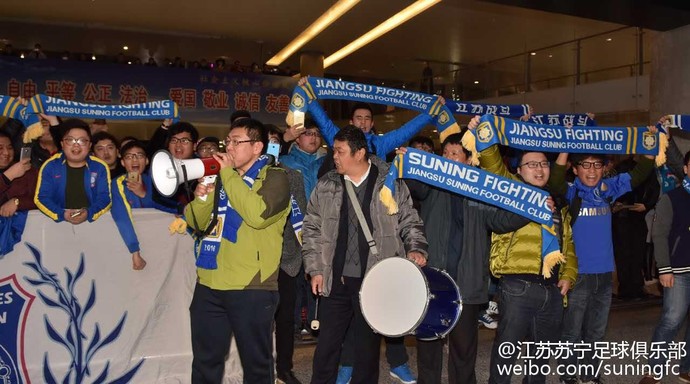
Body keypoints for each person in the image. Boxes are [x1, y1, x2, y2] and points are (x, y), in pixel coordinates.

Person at [302, 126, 428, 384]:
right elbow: (311, 228)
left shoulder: (390, 182)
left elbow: (410, 221)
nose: (334, 156)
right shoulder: (327, 184)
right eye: (334, 150)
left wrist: (415, 248)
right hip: (334, 278)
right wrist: (315, 269)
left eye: (340, 151)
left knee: (367, 349)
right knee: (326, 347)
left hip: (374, 278)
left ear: (359, 153)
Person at [404, 132, 531, 384]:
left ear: (468, 160)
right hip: (433, 281)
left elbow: (500, 220)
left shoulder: (480, 191)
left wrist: (530, 209)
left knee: (464, 351)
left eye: (455, 154)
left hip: (467, 283)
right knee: (428, 344)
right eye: (445, 154)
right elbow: (412, 184)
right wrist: (412, 162)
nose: (448, 159)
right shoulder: (431, 185)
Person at [467, 115, 578, 384]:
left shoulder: (558, 202)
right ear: (519, 170)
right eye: (531, 164)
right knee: (507, 352)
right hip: (518, 286)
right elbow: (492, 160)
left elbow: (569, 244)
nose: (539, 169)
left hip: (552, 291)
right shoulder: (511, 191)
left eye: (543, 163)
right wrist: (481, 131)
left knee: (540, 357)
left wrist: (569, 274)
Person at [185, 118, 290, 384]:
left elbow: (257, 214)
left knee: (256, 365)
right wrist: (202, 196)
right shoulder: (222, 177)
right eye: (227, 141)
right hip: (210, 282)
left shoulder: (276, 178)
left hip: (251, 286)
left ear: (257, 147)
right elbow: (195, 223)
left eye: (236, 141)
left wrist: (228, 175)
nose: (228, 147)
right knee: (205, 362)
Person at [549, 137, 656, 384]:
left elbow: (640, 173)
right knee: (572, 331)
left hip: (605, 274)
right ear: (574, 170)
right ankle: (568, 375)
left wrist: (651, 144)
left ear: (604, 168)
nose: (592, 170)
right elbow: (554, 180)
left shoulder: (608, 189)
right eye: (585, 165)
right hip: (577, 275)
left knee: (596, 332)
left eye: (597, 165)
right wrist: (567, 146)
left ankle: (590, 373)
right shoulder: (571, 191)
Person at [638, 150, 690, 384]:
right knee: (672, 319)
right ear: (686, 169)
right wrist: (664, 268)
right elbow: (659, 235)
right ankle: (653, 370)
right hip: (678, 270)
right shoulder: (672, 197)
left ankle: (687, 368)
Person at [296, 77, 437, 160]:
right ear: (351, 122)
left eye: (367, 118)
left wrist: (430, 113)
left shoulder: (380, 144)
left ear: (372, 123)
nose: (363, 122)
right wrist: (308, 96)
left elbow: (405, 131)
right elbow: (324, 123)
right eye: (359, 118)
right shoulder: (339, 139)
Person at [266, 127, 308, 384]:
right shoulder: (241, 176)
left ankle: (284, 368)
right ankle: (259, 367)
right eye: (266, 142)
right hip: (254, 260)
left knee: (284, 319)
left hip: (287, 259)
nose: (271, 147)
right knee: (256, 319)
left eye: (274, 142)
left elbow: (301, 214)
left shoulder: (292, 175)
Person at [110, 141, 177, 270]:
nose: (135, 160)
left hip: (160, 242)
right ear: (123, 162)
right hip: (131, 246)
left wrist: (143, 194)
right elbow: (121, 217)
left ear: (146, 160)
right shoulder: (117, 184)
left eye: (139, 155)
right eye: (129, 157)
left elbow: (171, 207)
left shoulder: (157, 180)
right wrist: (134, 250)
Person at [34, 119, 111, 224]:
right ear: (62, 144)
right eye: (70, 140)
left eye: (82, 141)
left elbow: (105, 198)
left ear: (89, 145)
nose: (76, 145)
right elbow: (41, 198)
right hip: (57, 225)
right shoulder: (51, 165)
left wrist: (89, 213)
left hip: (93, 224)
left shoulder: (99, 167)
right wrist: (62, 214)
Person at [0, 131, 38, 215]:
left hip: (22, 226)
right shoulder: (14, 171)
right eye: (0, 148)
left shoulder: (28, 171)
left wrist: (18, 202)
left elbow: (43, 200)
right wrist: (8, 176)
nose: (6, 153)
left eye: (10, 148)